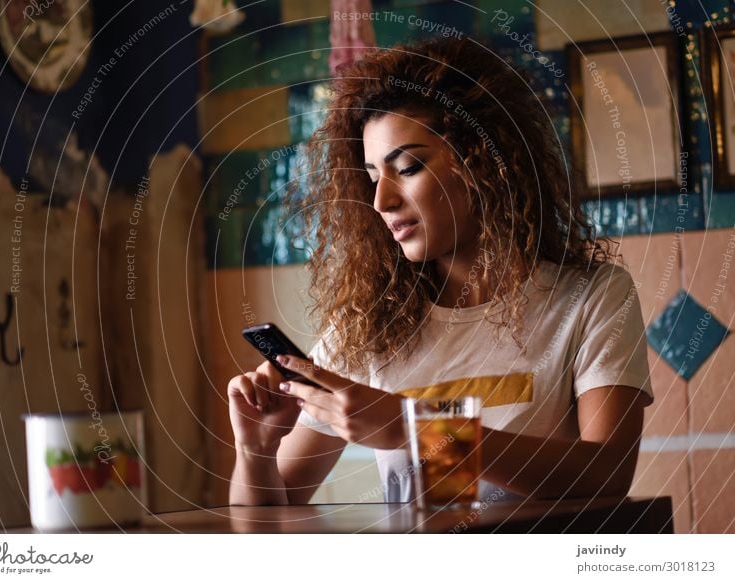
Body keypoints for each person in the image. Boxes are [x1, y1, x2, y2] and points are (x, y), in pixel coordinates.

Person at [227, 36, 653, 506]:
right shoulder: (363, 327)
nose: (381, 202)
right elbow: (266, 516)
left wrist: (414, 427)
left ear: (484, 161)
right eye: (371, 179)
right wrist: (255, 451)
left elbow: (606, 474)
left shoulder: (592, 297)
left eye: (407, 168)